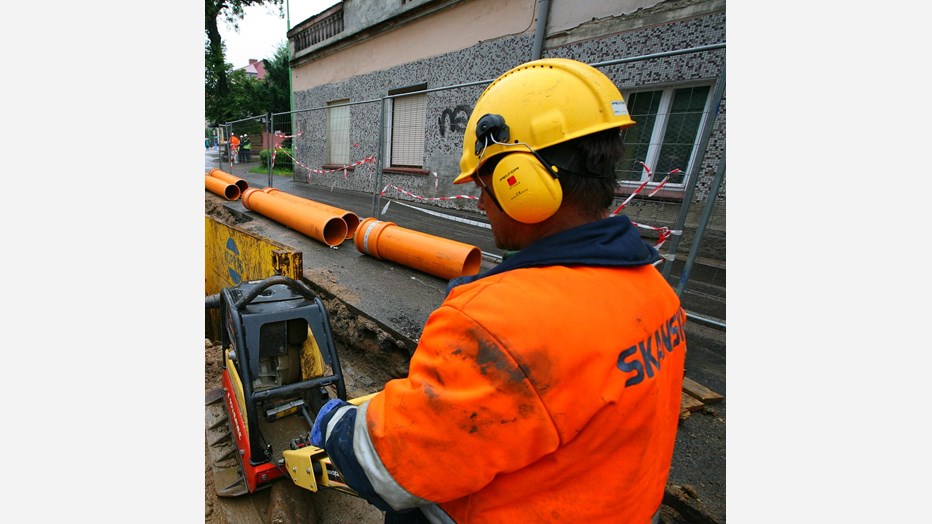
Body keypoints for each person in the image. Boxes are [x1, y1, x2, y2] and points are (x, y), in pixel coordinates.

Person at [311, 58, 687, 524]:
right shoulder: (655, 291)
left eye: (486, 184)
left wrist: (335, 424)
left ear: (521, 183)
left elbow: (391, 466)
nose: (482, 201)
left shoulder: (495, 323)